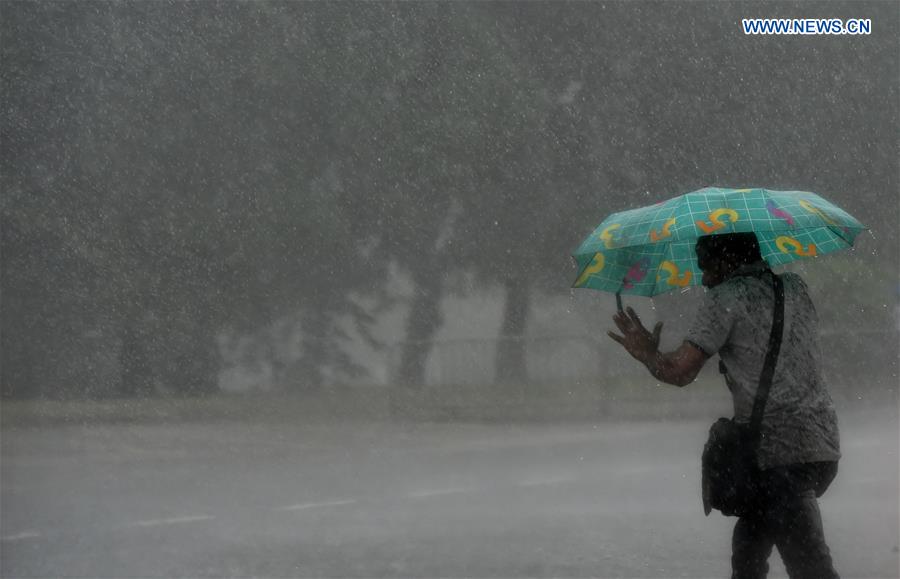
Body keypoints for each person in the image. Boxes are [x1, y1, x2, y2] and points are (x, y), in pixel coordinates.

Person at [607, 232, 841, 579]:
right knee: (748, 552)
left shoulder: (726, 297)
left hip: (775, 454)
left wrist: (648, 355)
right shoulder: (794, 287)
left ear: (727, 261)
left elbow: (680, 371)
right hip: (820, 443)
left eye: (706, 267)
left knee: (810, 568)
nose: (703, 278)